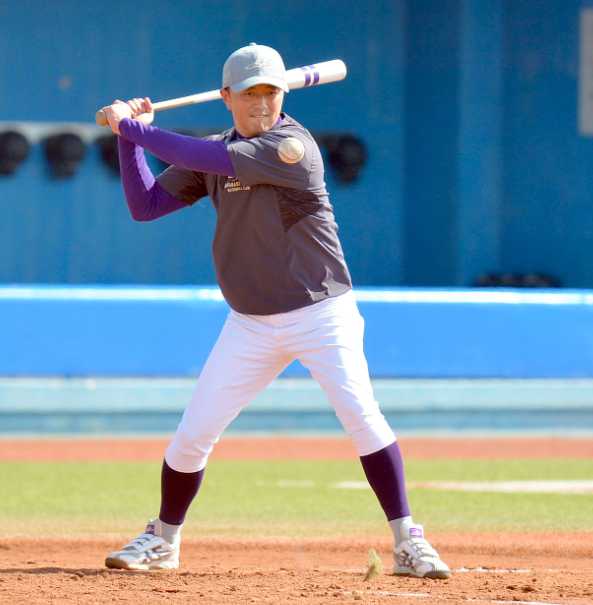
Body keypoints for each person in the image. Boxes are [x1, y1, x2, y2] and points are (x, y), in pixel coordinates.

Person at [100, 43, 450, 579]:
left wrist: (134, 129)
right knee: (193, 435)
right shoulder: (216, 149)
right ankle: (164, 540)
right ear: (228, 98)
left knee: (361, 417)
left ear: (282, 95)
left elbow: (208, 158)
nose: (262, 102)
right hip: (251, 323)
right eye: (250, 93)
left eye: (271, 91)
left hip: (321, 311)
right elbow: (144, 206)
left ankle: (409, 541)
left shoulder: (293, 147)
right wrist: (130, 142)